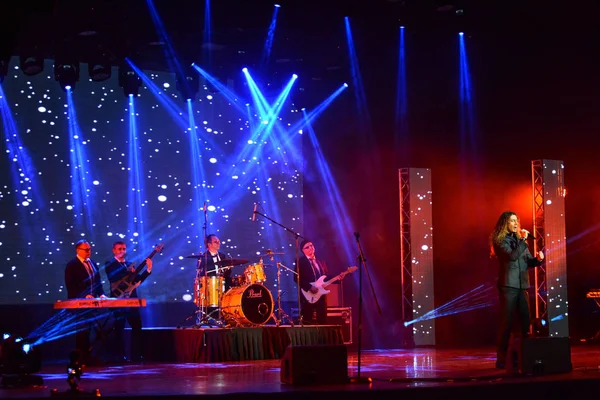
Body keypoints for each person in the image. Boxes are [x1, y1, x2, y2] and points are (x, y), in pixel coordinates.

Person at [490, 211, 544, 368]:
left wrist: (538, 260)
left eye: (516, 221)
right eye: (512, 221)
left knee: (525, 321)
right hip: (508, 286)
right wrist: (523, 240)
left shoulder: (519, 241)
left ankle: (525, 357)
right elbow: (512, 257)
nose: (515, 223)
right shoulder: (500, 240)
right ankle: (501, 360)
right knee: (506, 323)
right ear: (505, 223)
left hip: (522, 286)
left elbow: (527, 262)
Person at [104, 241, 152, 363]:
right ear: (113, 250)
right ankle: (120, 356)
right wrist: (128, 271)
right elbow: (113, 277)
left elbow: (136, 280)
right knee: (119, 327)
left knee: (137, 326)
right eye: (119, 249)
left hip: (131, 300)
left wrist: (148, 270)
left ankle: (135, 355)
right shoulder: (110, 264)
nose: (122, 251)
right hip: (118, 299)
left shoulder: (129, 264)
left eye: (124, 249)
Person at [64, 239, 106, 364]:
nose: (89, 252)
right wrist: (84, 295)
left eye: (90, 249)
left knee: (89, 330)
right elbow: (70, 285)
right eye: (86, 249)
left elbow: (97, 281)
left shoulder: (92, 263)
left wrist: (101, 294)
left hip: (91, 302)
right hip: (80, 303)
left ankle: (88, 357)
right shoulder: (72, 264)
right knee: (82, 330)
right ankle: (80, 358)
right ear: (78, 250)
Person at [294, 239, 329, 325]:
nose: (310, 248)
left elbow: (325, 276)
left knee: (322, 319)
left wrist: (339, 277)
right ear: (303, 250)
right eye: (307, 247)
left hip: (320, 294)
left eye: (311, 245)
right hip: (308, 295)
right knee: (307, 319)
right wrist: (309, 287)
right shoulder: (300, 262)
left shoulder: (320, 261)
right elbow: (296, 278)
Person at [197, 234, 232, 313]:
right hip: (211, 284)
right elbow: (201, 274)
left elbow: (227, 272)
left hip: (223, 282)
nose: (219, 243)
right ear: (209, 244)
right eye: (216, 242)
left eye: (219, 242)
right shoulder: (204, 257)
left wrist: (227, 269)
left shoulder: (222, 256)